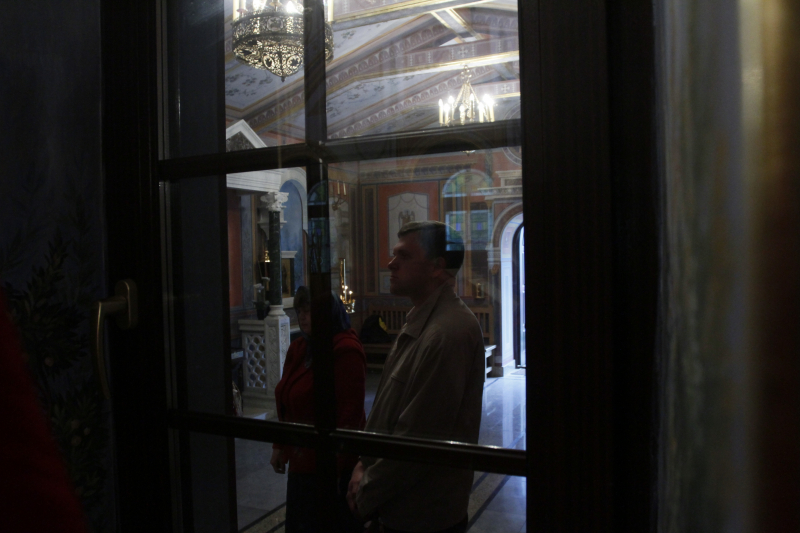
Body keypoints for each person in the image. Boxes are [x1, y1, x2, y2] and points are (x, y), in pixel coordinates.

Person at [347, 221, 486, 533]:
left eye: (404, 256)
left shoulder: (447, 332)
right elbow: (388, 410)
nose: (391, 263)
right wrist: (363, 462)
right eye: (394, 254)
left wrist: (366, 490)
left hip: (421, 516)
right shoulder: (423, 320)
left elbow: (418, 440)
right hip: (399, 508)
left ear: (437, 267)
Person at [271, 286, 366, 533]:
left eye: (309, 311)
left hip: (331, 468)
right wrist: (279, 445)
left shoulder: (345, 349)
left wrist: (333, 469)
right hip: (301, 462)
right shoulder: (300, 348)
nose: (302, 317)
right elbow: (285, 398)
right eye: (299, 311)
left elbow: (349, 416)